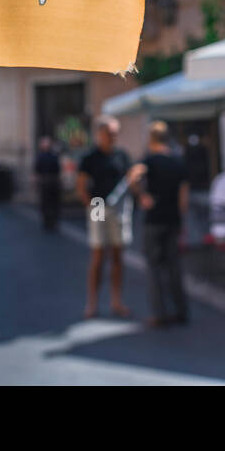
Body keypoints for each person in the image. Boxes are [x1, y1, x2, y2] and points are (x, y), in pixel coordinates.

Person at [76, 115, 140, 319]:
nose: (113, 137)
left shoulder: (122, 155)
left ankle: (116, 301)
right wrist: (92, 207)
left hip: (119, 207)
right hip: (98, 206)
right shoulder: (90, 157)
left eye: (115, 133)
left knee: (117, 255)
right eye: (110, 133)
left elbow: (131, 179)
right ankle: (92, 303)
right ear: (100, 134)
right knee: (98, 255)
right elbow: (81, 186)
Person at [134, 121, 189, 327]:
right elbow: (184, 197)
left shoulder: (148, 161)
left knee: (154, 268)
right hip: (173, 220)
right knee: (174, 267)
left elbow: (133, 177)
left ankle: (160, 314)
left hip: (154, 220)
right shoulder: (178, 162)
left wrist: (142, 196)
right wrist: (181, 221)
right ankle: (181, 311)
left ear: (151, 139)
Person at [33, 135, 62, 232]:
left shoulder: (51, 156)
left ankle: (51, 221)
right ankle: (48, 221)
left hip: (50, 182)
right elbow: (37, 171)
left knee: (51, 203)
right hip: (46, 182)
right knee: (47, 203)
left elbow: (57, 170)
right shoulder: (43, 156)